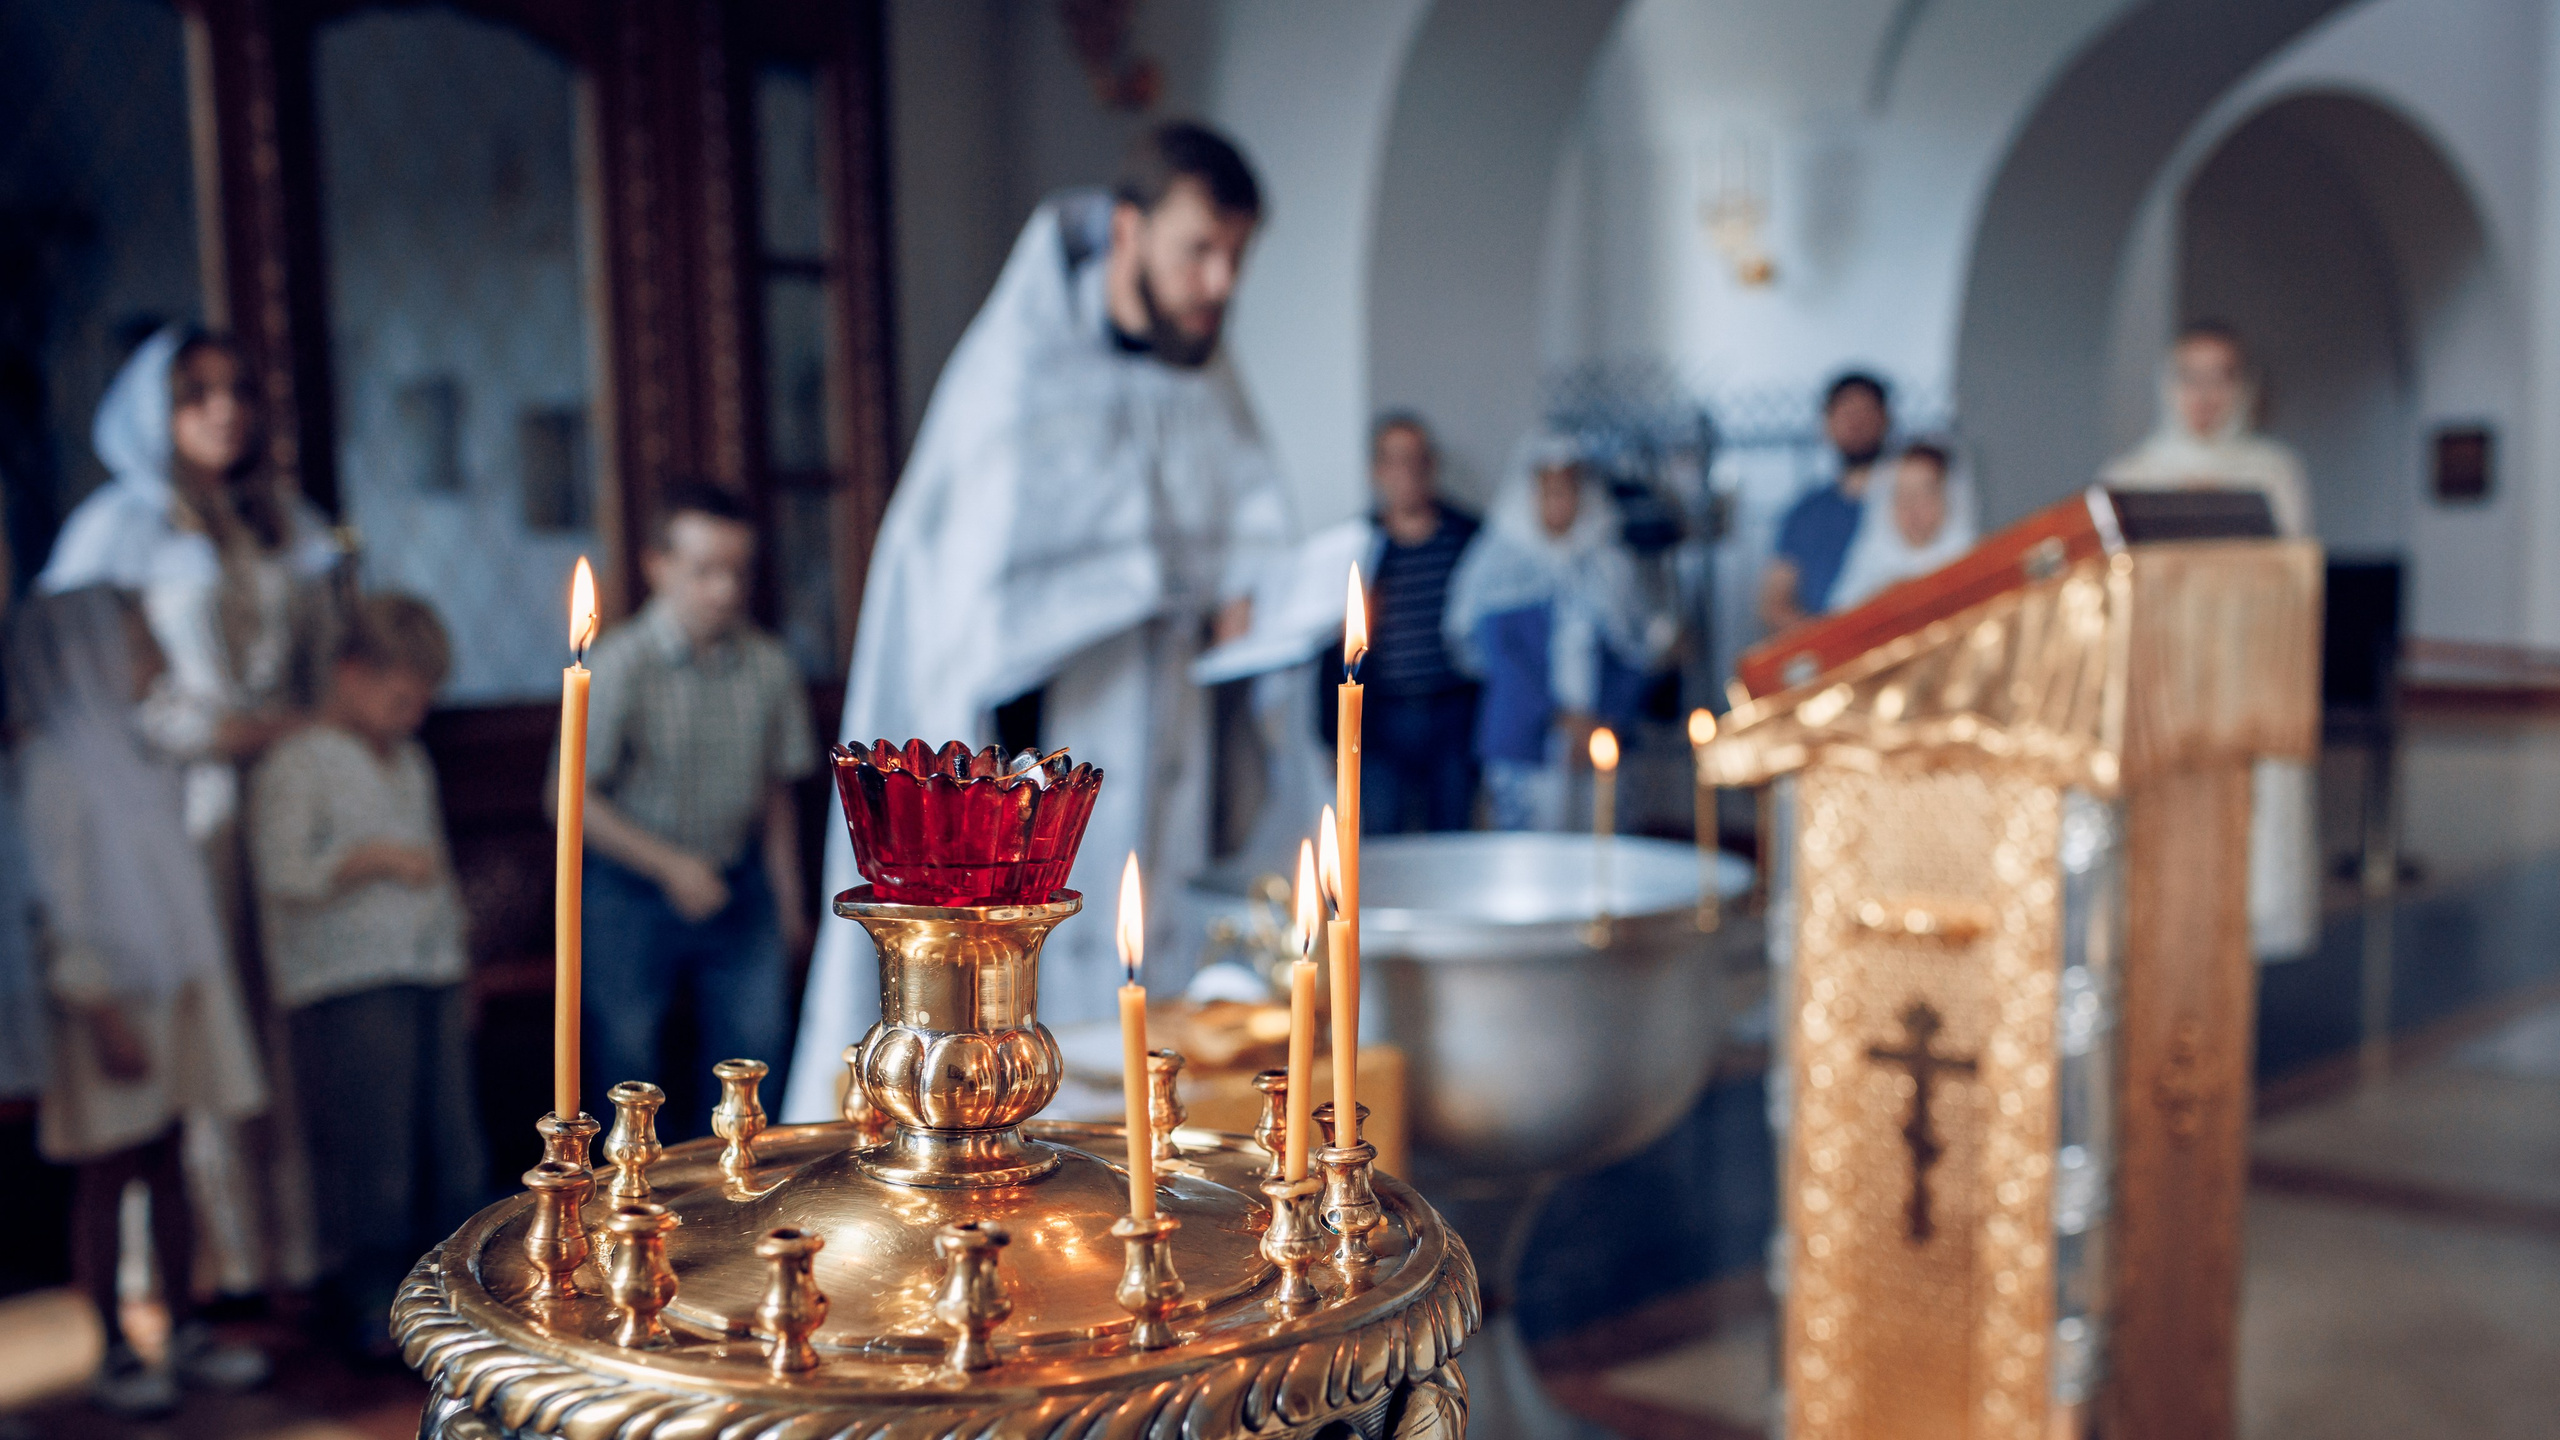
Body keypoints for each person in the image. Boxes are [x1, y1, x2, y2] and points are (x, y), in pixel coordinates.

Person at [784, 122, 1289, 1117]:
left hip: (1169, 776)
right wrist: (1145, 576)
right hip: (1032, 789)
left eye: (1236, 255)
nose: (1220, 281)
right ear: (1128, 230)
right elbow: (970, 623)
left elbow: (1248, 542)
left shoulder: (1205, 374)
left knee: (1158, 1064)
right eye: (1199, 249)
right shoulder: (1018, 371)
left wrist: (1245, 606)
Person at [37, 324, 340, 1303]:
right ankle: (212, 1267)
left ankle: (294, 1246)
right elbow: (73, 670)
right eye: (195, 392)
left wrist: (303, 731)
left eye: (236, 389)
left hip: (288, 793)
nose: (223, 409)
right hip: (180, 803)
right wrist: (209, 733)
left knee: (281, 1021)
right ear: (153, 410)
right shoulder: (115, 527)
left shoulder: (278, 520)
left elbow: (320, 656)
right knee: (202, 1027)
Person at [9, 587, 270, 1415]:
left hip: (174, 988)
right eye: (137, 642)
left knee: (169, 1159)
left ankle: (186, 1330)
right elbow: (55, 900)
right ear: (85, 655)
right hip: (109, 1001)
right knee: (108, 1167)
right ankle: (116, 1350)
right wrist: (100, 1008)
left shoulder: (135, 745)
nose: (155, 655)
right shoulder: (51, 761)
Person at [248, 594, 480, 1358]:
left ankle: (456, 1294)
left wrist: (459, 954)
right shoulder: (297, 761)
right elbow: (284, 872)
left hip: (427, 965)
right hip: (346, 979)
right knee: (373, 1150)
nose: (414, 717)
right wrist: (373, 859)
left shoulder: (407, 759)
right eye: (400, 697)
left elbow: (438, 861)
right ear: (352, 674)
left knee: (452, 1138)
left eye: (423, 702)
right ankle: (373, 1306)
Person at [572, 483, 817, 1128]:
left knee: (756, 1060)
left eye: (737, 571)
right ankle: (633, 1213)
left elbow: (777, 799)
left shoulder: (770, 667)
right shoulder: (620, 663)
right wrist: (670, 867)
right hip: (629, 895)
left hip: (739, 889)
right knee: (628, 1071)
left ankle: (745, 1208)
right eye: (705, 570)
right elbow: (569, 800)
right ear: (658, 565)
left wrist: (790, 904)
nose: (725, 590)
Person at [2103, 322, 2316, 960]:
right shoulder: (2129, 473)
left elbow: (2292, 580)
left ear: (2242, 388)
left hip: (2247, 677)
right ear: (2167, 387)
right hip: (2164, 682)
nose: (2204, 395)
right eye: (2189, 377)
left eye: (2219, 377)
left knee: (2249, 840)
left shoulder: (2273, 470)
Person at [1446, 432, 1673, 832]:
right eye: (1548, 492)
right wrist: (1565, 723)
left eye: (1569, 490)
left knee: (1601, 847)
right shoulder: (1498, 563)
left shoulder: (1610, 562)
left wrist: (1604, 721)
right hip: (1526, 737)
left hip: (1599, 735)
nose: (1559, 503)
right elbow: (1502, 658)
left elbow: (1635, 649)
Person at [1354, 413, 1480, 832]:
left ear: (1431, 465)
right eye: (1394, 459)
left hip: (1453, 714)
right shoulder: (1360, 545)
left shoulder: (1469, 539)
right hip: (1380, 718)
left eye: (1416, 458)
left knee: (1452, 837)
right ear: (1377, 471)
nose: (1406, 470)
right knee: (1380, 842)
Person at [1759, 372, 1892, 631]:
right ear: (1827, 424)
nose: (1856, 423)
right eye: (1846, 413)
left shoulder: (1911, 497)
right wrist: (1833, 640)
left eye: (1865, 412)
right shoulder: (1805, 513)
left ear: (1885, 420)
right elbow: (1774, 601)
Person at [1826, 439, 1979, 611]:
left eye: (1924, 494)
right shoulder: (1865, 572)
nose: (1912, 508)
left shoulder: (1977, 569)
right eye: (1902, 495)